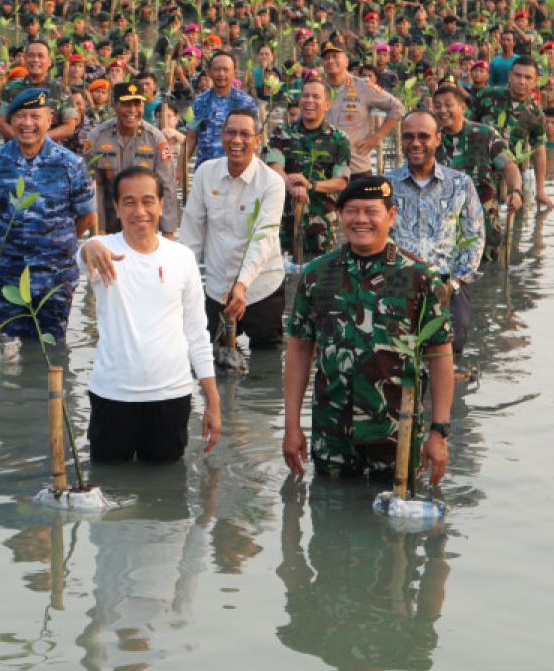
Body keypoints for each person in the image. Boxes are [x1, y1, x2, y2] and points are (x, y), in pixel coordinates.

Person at [283, 175, 454, 483]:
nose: (360, 219)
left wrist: (439, 432)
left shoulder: (420, 277)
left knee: (396, 523)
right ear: (340, 215)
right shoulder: (317, 275)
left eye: (371, 211)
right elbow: (298, 349)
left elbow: (440, 355)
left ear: (391, 215)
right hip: (331, 433)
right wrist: (292, 426)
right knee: (327, 519)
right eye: (351, 210)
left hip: (395, 434)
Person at [76, 168, 221, 463]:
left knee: (166, 494)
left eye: (147, 201)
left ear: (161, 204)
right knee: (108, 488)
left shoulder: (181, 258)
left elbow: (197, 333)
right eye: (128, 202)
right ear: (115, 207)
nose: (139, 211)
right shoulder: (103, 252)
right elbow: (77, 257)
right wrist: (87, 246)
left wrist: (213, 401)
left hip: (171, 397)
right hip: (113, 396)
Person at [0, 88, 96, 342]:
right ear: (10, 121)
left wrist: (56, 241)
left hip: (55, 275)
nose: (27, 123)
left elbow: (86, 216)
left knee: (52, 346)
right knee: (6, 345)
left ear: (49, 120)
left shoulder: (70, 164)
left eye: (35, 116)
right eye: (20, 116)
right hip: (8, 272)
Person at [180, 108, 286, 348]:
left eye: (245, 134)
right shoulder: (205, 173)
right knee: (211, 358)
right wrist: (183, 282)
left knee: (266, 363)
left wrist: (241, 285)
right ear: (221, 136)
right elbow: (191, 234)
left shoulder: (272, 183)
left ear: (258, 140)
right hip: (217, 289)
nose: (237, 140)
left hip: (261, 289)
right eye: (231, 133)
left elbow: (264, 238)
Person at [385, 111, 485, 354]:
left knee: (450, 347)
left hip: (447, 281)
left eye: (423, 136)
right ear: (401, 140)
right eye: (408, 137)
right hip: (398, 282)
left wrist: (452, 283)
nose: (416, 143)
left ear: (437, 139)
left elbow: (475, 238)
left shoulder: (460, 183)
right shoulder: (386, 184)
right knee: (394, 351)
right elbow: (379, 237)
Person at [430, 83, 522, 258]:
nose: (443, 110)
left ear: (463, 107)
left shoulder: (485, 134)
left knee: (488, 275)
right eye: (438, 106)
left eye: (448, 105)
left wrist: (516, 192)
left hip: (483, 223)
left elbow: (510, 167)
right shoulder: (430, 138)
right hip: (442, 224)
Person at [264, 77, 351, 257]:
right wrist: (292, 185)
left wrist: (310, 185)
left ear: (327, 105)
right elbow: (274, 168)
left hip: (322, 222)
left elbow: (341, 181)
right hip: (284, 219)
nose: (309, 101)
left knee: (321, 278)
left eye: (316, 97)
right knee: (281, 274)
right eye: (305, 96)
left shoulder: (339, 139)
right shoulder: (282, 133)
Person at [84, 81, 179, 237]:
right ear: (114, 105)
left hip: (144, 223)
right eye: (126, 104)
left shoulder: (156, 139)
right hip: (108, 224)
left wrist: (168, 232)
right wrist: (98, 230)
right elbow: (94, 187)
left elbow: (167, 187)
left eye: (137, 104)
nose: (132, 110)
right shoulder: (96, 138)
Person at [470, 55, 554, 210]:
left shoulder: (536, 115)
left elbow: (539, 151)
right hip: (480, 173)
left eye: (528, 77)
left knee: (514, 224)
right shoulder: (486, 96)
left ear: (536, 81)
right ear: (510, 76)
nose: (522, 81)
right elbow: (465, 126)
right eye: (518, 75)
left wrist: (541, 190)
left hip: (513, 177)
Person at [322, 39, 404, 177]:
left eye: (335, 56)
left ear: (347, 61)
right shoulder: (317, 89)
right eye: (326, 57)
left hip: (356, 168)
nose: (330, 61)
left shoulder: (363, 86)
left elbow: (397, 108)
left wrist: (377, 137)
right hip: (324, 170)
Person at [182, 50, 257, 175]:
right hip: (205, 170)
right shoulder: (201, 101)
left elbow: (254, 139)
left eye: (226, 70)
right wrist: (180, 167)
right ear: (210, 72)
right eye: (217, 69)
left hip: (235, 170)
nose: (221, 74)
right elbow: (192, 136)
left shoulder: (245, 102)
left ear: (234, 73)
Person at [0, 40, 78, 144]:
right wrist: (22, 140)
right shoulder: (10, 88)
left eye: (40, 56)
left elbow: (69, 126)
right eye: (31, 55)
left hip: (49, 152)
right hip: (16, 149)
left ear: (49, 62)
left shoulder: (61, 90)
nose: (35, 59)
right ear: (25, 59)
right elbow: (0, 123)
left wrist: (39, 139)